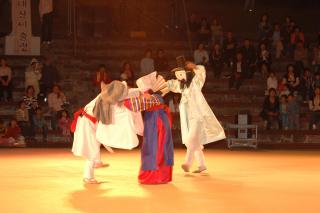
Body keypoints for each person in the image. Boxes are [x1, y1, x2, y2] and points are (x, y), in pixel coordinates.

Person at [72, 81, 143, 184]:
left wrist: (140, 91)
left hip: (91, 122)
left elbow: (128, 93)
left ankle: (97, 162)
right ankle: (88, 176)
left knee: (96, 142)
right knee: (92, 148)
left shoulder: (107, 96)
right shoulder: (105, 99)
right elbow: (126, 96)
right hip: (87, 122)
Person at [167, 62, 226, 173]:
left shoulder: (195, 83)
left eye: (180, 73)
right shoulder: (182, 87)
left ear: (185, 73)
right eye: (177, 75)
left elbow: (201, 73)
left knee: (190, 140)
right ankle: (202, 165)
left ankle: (187, 163)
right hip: (191, 118)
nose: (179, 76)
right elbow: (171, 85)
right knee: (195, 143)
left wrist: (194, 67)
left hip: (199, 117)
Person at [123, 72, 174, 184]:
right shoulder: (156, 97)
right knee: (157, 148)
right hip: (156, 122)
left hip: (157, 124)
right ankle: (160, 176)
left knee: (155, 148)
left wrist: (121, 102)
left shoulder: (155, 97)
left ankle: (155, 176)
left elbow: (136, 104)